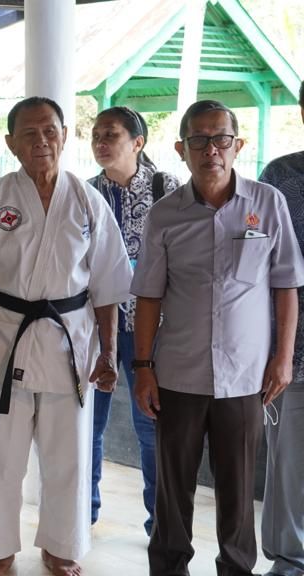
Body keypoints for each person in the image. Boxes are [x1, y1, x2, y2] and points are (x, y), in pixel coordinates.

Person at [0, 96, 132, 576]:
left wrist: (109, 352)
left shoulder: (87, 200)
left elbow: (108, 282)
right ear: (10, 143)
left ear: (65, 136)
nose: (41, 141)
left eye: (50, 131)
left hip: (69, 340)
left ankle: (61, 546)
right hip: (3, 336)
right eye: (29, 133)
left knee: (68, 453)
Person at [132, 100, 304, 576]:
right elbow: (148, 296)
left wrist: (283, 358)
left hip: (246, 376)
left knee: (238, 493)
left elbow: (286, 285)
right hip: (178, 374)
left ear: (238, 145)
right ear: (181, 149)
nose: (212, 149)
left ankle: (236, 569)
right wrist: (143, 369)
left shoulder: (268, 203)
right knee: (173, 494)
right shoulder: (164, 215)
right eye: (200, 140)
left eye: (221, 139)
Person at [86, 106, 180, 534]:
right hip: (96, 327)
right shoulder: (85, 193)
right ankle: (82, 515)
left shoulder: (167, 189)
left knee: (151, 426)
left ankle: (160, 524)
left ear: (137, 142)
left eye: (111, 134)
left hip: (151, 329)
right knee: (88, 424)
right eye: (96, 135)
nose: (101, 142)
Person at [258, 80, 304, 576]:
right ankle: (290, 562)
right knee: (290, 463)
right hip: (295, 348)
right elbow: (259, 260)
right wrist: (276, 352)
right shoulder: (280, 177)